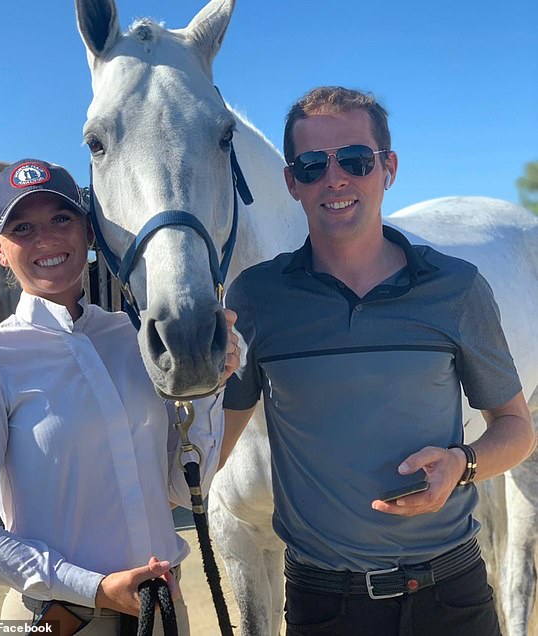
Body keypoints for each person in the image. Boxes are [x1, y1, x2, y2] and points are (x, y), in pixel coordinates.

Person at [221, 87, 536, 636]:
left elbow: (515, 428)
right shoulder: (254, 301)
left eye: (356, 160)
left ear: (387, 168)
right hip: (327, 605)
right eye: (313, 165)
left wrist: (464, 465)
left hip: (452, 594)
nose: (335, 178)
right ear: (291, 182)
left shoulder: (457, 288)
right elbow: (207, 455)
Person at [0, 158, 240, 636]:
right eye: (22, 227)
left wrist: (209, 384)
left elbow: (179, 487)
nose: (46, 238)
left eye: (61, 219)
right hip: (62, 620)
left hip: (162, 610)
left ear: (89, 233)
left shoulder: (132, 338)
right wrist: (94, 587)